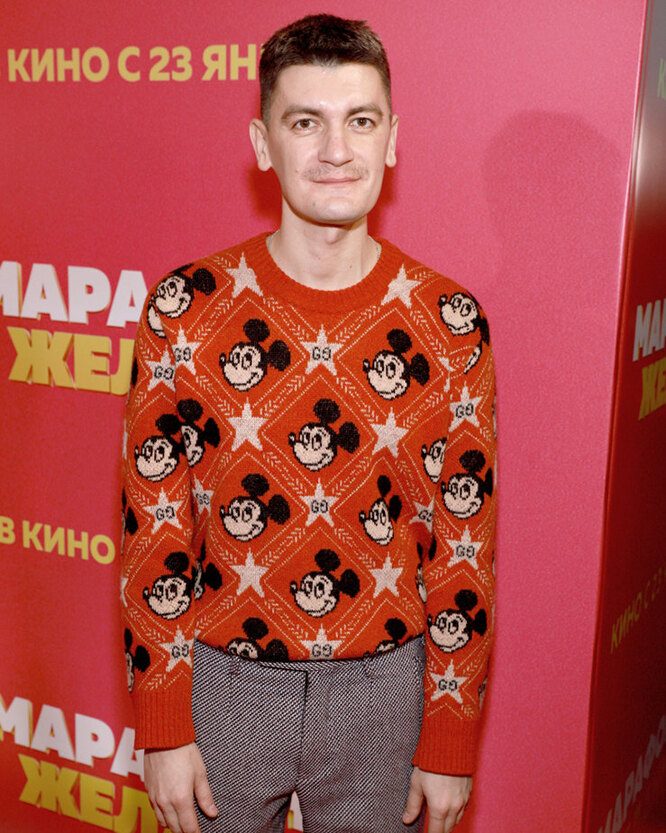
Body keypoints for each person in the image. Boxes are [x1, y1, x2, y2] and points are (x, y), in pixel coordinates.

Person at [120, 13, 497, 833]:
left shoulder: (451, 323)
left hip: (386, 697)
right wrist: (162, 723)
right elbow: (154, 528)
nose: (336, 150)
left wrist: (450, 734)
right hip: (221, 686)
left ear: (392, 140)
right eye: (304, 122)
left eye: (360, 120)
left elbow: (463, 548)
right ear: (263, 144)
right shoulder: (185, 309)